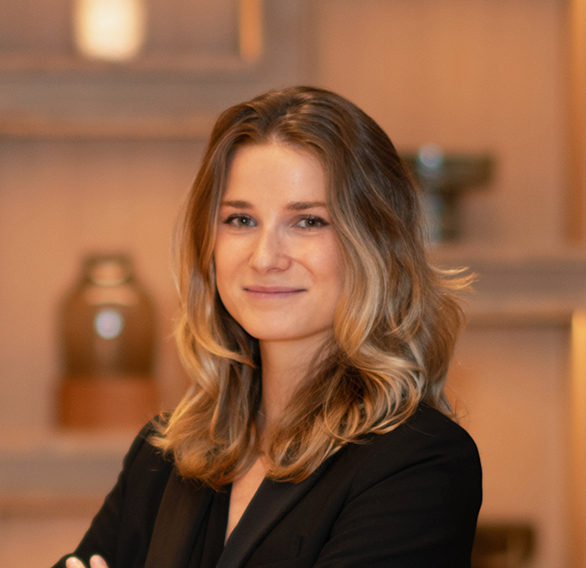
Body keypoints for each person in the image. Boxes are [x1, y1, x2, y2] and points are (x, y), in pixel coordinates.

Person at [54, 86, 482, 568]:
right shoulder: (164, 456)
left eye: (308, 222)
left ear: (376, 243)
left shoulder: (420, 462)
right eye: (240, 220)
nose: (264, 258)